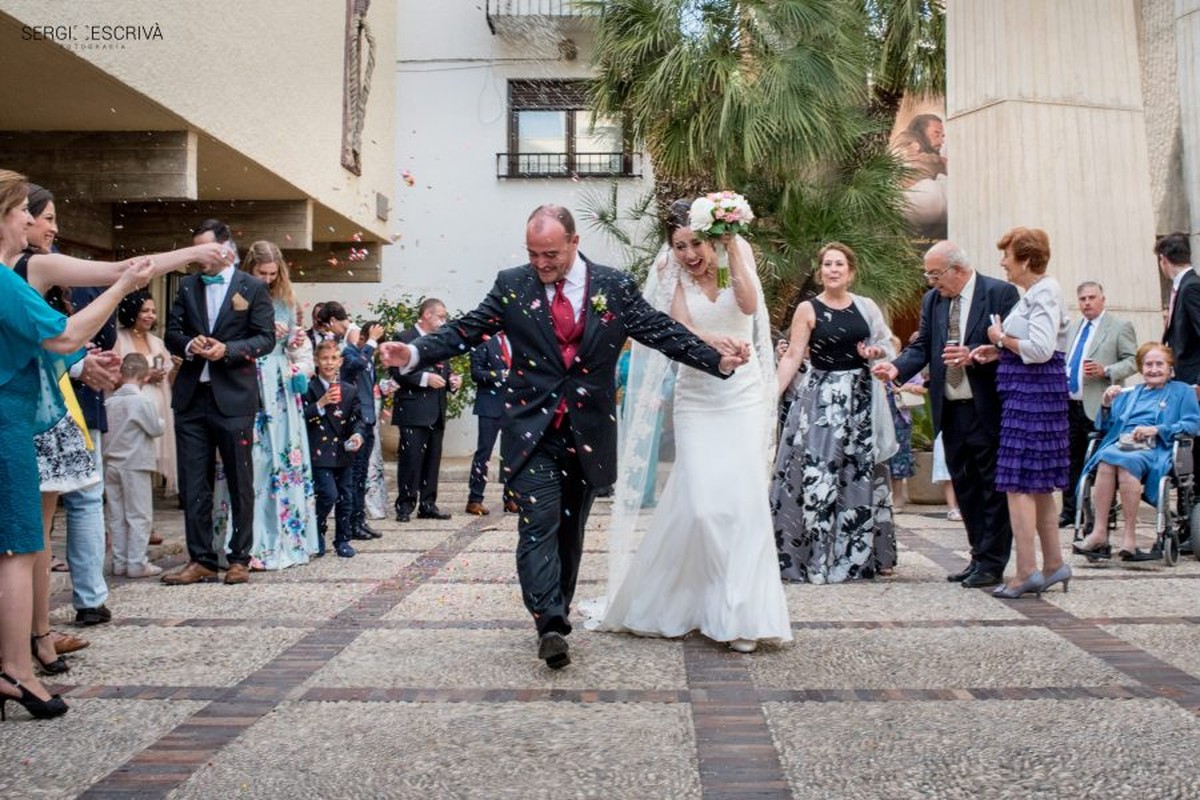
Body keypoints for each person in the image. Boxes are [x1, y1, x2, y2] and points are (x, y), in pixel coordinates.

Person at [379, 204, 746, 669]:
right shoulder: (512, 284)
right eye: (533, 253)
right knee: (539, 521)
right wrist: (412, 352)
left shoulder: (611, 286)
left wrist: (714, 360)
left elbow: (659, 330)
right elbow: (466, 330)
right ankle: (549, 622)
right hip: (530, 430)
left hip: (587, 430)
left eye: (550, 253)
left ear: (574, 243)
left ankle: (558, 605)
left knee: (569, 531)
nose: (541, 263)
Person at [597, 200, 790, 652]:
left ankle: (739, 615)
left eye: (695, 243)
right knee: (702, 505)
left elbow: (747, 304)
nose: (688, 254)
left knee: (742, 504)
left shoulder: (734, 256)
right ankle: (688, 600)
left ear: (713, 238)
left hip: (742, 394)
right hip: (697, 395)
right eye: (679, 245)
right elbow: (675, 325)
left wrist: (732, 250)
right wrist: (709, 340)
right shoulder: (672, 270)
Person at [0, 168, 154, 720]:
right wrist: (119, 289)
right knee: (19, 548)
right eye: (23, 209)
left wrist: (80, 362)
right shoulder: (3, 279)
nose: (31, 220)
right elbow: (63, 334)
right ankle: (15, 671)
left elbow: (37, 347)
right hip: (7, 424)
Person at [874, 240, 1019, 587]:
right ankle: (977, 554)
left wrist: (976, 352)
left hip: (987, 405)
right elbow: (923, 345)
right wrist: (896, 368)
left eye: (935, 274)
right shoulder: (934, 301)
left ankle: (992, 562)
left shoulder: (1000, 293)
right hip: (950, 408)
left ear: (957, 270)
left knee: (991, 489)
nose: (930, 281)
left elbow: (1013, 344)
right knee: (965, 485)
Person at [772, 242, 898, 584]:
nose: (833, 269)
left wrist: (876, 351)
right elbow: (794, 355)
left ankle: (859, 556)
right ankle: (815, 556)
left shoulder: (866, 306)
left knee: (858, 471)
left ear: (851, 271)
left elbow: (890, 344)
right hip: (822, 401)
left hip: (860, 399)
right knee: (819, 471)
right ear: (820, 271)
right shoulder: (807, 309)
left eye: (839, 264)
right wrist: (771, 394)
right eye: (827, 264)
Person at [161, 219, 276, 586]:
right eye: (194, 250)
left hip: (234, 397)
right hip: (193, 396)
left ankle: (239, 557)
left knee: (241, 479)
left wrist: (229, 350)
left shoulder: (252, 287)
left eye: (203, 250)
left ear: (225, 248)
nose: (198, 258)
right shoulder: (188, 286)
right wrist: (188, 345)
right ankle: (201, 559)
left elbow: (265, 339)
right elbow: (171, 332)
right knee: (194, 483)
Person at [968, 227, 1071, 597]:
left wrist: (999, 339)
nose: (1002, 263)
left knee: (1018, 485)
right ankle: (1055, 563)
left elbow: (1042, 349)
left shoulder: (1045, 292)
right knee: (1037, 485)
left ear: (1026, 260)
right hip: (1029, 395)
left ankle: (1027, 568)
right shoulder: (1037, 293)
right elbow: (1036, 345)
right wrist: (998, 352)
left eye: (1007, 257)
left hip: (1033, 398)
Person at [1074, 343, 1200, 560]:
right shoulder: (1129, 394)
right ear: (1141, 369)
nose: (1153, 369)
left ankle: (1129, 537)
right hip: (1122, 444)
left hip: (1157, 447)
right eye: (1148, 364)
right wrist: (1105, 404)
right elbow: (1103, 428)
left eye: (1159, 364)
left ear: (1170, 367)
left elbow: (1192, 424)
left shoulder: (1182, 392)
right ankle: (1099, 532)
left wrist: (1157, 429)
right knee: (1106, 459)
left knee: (1121, 462)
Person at [240, 240, 318, 570]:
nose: (268, 279)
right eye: (262, 273)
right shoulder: (238, 296)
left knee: (282, 457)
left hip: (280, 381)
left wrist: (293, 340)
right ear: (250, 269)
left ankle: (286, 536)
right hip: (249, 376)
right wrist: (263, 333)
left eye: (273, 273)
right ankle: (251, 542)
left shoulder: (286, 299)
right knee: (255, 459)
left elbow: (291, 344)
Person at [1059, 282, 1138, 527]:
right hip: (1071, 404)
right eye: (1082, 298)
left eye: (1092, 297)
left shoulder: (1119, 326)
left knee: (1103, 459)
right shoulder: (1073, 328)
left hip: (1101, 405)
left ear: (1103, 298)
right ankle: (1071, 512)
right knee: (1070, 459)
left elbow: (1133, 360)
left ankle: (1107, 514)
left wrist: (1107, 371)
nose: (1087, 303)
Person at [388, 298, 460, 522]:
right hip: (413, 409)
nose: (443, 320)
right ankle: (405, 505)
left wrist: (451, 381)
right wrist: (425, 378)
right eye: (441, 316)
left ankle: (428, 504)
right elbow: (397, 372)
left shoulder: (440, 340)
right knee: (411, 459)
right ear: (427, 315)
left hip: (436, 409)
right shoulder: (404, 338)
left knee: (432, 460)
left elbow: (444, 370)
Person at [103, 353, 166, 578]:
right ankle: (137, 562)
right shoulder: (143, 401)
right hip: (135, 462)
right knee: (139, 515)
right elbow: (156, 428)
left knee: (116, 515)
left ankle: (119, 562)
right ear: (145, 375)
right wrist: (162, 421)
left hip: (111, 463)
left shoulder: (109, 402)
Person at [304, 340, 366, 558]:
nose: (329, 363)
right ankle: (317, 532)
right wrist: (320, 404)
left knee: (345, 497)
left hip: (343, 451)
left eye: (333, 358)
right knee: (328, 494)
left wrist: (357, 434)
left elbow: (357, 419)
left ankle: (343, 539)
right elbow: (301, 418)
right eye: (324, 358)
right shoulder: (309, 388)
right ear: (316, 361)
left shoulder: (349, 390)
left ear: (340, 361)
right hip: (319, 451)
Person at [115, 291, 178, 498]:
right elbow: (112, 375)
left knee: (147, 464)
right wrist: (144, 375)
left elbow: (168, 379)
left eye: (153, 311)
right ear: (132, 312)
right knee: (128, 463)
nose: (150, 315)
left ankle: (146, 519)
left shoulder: (157, 343)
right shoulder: (118, 339)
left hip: (155, 410)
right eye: (145, 310)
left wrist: (176, 369)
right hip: (128, 412)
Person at [341, 319, 384, 539]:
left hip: (368, 420)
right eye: (362, 337)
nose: (363, 341)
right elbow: (355, 367)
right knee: (354, 475)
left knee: (362, 476)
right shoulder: (348, 354)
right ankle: (350, 524)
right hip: (355, 422)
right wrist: (372, 343)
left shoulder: (368, 357)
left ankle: (360, 520)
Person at [466, 332, 510, 515]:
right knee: (484, 452)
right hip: (489, 405)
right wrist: (500, 374)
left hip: (514, 406)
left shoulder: (519, 339)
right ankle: (475, 498)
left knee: (512, 454)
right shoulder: (483, 341)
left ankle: (511, 498)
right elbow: (476, 373)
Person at [1159, 233, 1200, 388]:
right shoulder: (1183, 286)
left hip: (1193, 382)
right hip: (1182, 378)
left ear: (1163, 259)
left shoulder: (1191, 287)